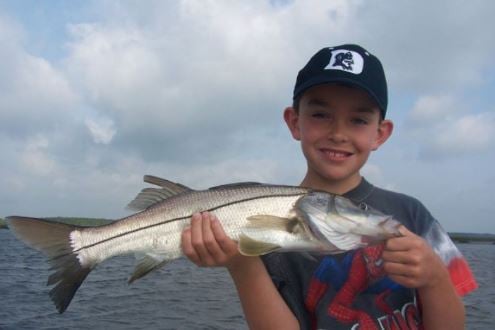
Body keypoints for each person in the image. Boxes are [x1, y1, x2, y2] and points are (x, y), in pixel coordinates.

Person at [181, 44, 478, 329]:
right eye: (321, 115)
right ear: (294, 122)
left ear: (380, 133)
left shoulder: (411, 213)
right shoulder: (261, 231)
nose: (338, 133)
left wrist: (435, 278)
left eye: (358, 119)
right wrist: (241, 265)